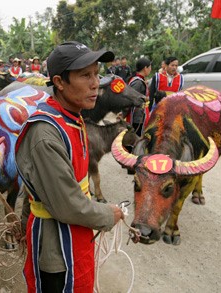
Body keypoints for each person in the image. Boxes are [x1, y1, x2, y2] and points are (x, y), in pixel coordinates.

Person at [15, 41, 124, 292]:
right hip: (57, 247)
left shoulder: (73, 117)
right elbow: (68, 205)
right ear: (60, 82)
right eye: (85, 75)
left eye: (96, 74)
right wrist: (110, 214)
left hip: (77, 232)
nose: (95, 83)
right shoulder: (46, 134)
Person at [126, 57, 152, 136]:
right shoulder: (138, 82)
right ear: (145, 68)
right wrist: (145, 99)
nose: (150, 69)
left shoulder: (139, 80)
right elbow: (132, 98)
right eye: (150, 67)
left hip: (139, 116)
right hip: (137, 118)